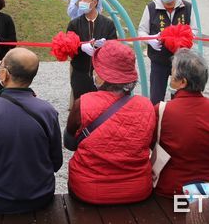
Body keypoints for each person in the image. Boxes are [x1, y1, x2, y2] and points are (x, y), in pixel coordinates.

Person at [0, 48, 63, 214]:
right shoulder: (47, 111)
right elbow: (56, 161)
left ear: (4, 73)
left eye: (1, 64)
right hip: (41, 196)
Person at [65, 40, 155, 204]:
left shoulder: (83, 103)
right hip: (137, 189)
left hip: (89, 190)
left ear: (102, 75)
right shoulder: (147, 106)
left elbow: (69, 144)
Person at [154, 49, 209, 198]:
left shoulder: (162, 109)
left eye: (173, 74)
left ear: (182, 82)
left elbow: (151, 144)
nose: (170, 78)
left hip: (172, 187)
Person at [138, 0, 194, 104]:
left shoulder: (187, 7)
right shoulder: (151, 7)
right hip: (158, 59)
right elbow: (141, 30)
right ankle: (157, 121)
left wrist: (184, 41)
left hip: (181, 60)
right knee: (157, 97)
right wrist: (150, 39)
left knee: (180, 96)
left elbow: (194, 31)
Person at [66, 0, 117, 99]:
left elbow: (115, 48)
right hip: (80, 74)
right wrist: (81, 47)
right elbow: (67, 48)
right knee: (81, 107)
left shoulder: (108, 24)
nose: (81, 3)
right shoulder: (74, 24)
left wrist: (105, 46)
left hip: (102, 75)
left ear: (94, 2)